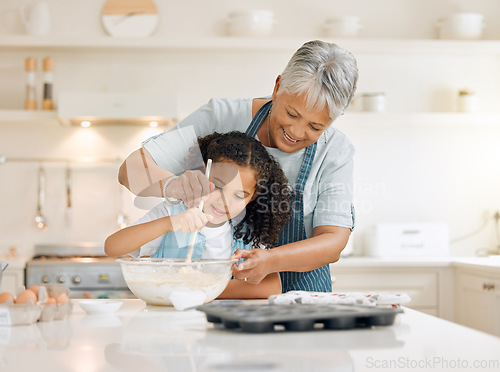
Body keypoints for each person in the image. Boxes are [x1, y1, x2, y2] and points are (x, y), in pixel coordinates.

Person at [118, 40, 358, 293]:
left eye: (315, 127)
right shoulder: (221, 116)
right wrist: (172, 185)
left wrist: (271, 261)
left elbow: (333, 241)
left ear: (334, 119)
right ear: (277, 87)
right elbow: (129, 170)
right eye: (292, 114)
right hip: (223, 295)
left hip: (305, 295)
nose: (296, 132)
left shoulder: (335, 150)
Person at [106, 131, 292, 299]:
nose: (224, 202)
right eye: (218, 186)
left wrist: (198, 288)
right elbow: (113, 247)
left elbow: (271, 287)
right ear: (202, 173)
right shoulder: (174, 212)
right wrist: (168, 223)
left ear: (253, 197)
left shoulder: (246, 231)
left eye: (238, 196)